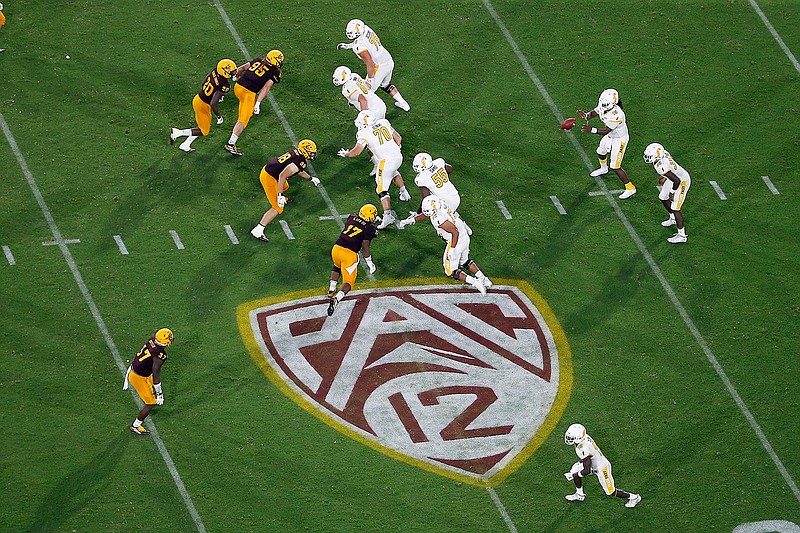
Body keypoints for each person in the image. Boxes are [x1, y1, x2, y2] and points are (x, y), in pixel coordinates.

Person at [337, 110, 411, 229]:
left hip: (386, 161)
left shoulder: (363, 133)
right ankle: (404, 193)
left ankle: (387, 217)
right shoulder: (383, 122)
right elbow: (399, 138)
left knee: (381, 189)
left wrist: (346, 154)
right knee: (392, 172)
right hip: (398, 157)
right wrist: (395, 150)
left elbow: (356, 152)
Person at [250, 139, 319, 243]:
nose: (313, 154)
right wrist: (280, 195)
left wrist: (310, 178)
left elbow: (297, 169)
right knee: (278, 207)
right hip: (269, 177)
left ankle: (281, 196)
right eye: (311, 152)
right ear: (305, 151)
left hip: (271, 172)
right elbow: (283, 175)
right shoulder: (300, 161)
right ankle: (258, 230)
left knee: (285, 186)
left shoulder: (297, 154)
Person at [421, 195, 492, 294]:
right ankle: (484, 279)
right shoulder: (442, 203)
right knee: (464, 261)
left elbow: (454, 232)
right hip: (463, 234)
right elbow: (428, 214)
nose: (428, 212)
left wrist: (452, 249)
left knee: (450, 271)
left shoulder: (438, 219)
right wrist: (412, 220)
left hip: (455, 240)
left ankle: (476, 282)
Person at [337, 19, 410, 112]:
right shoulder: (366, 29)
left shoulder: (359, 46)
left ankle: (369, 117)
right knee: (385, 85)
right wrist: (348, 46)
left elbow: (370, 63)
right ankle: (403, 104)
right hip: (388, 60)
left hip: (379, 66)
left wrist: (370, 81)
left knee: (366, 92)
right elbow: (362, 42)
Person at [563, 423, 641, 508]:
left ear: (578, 438)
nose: (568, 439)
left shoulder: (583, 447)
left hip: (601, 467)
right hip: (592, 462)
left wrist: (574, 475)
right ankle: (579, 494)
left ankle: (634, 497)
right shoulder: (584, 439)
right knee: (574, 470)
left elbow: (587, 470)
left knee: (610, 491)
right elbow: (588, 459)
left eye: (571, 438)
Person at [224, 50, 284, 157]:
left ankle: (231, 143)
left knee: (245, 112)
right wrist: (258, 103)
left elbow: (241, 68)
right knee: (243, 120)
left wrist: (236, 76)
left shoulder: (258, 60)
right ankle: (230, 144)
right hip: (248, 94)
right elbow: (265, 88)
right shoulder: (275, 73)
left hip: (238, 87)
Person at [578, 88, 636, 199]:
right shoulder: (605, 105)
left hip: (620, 139)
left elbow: (605, 131)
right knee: (600, 151)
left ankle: (630, 188)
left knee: (615, 166)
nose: (602, 105)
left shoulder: (617, 114)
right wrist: (586, 115)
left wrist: (591, 129)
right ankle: (603, 168)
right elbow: (595, 112)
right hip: (611, 136)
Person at [169, 59, 235, 153]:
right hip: (203, 105)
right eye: (231, 71)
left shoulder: (215, 71)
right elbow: (213, 104)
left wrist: (210, 93)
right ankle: (178, 132)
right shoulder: (224, 84)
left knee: (202, 125)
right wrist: (219, 116)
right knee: (204, 131)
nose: (233, 73)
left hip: (198, 98)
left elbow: (204, 81)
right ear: (224, 72)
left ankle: (185, 144)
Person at [327, 204, 378, 316]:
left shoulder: (351, 217)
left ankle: (331, 290)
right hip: (349, 254)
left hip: (336, 249)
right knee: (348, 283)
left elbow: (359, 224)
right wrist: (369, 262)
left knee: (337, 266)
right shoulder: (370, 228)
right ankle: (336, 299)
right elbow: (365, 246)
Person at [123, 328, 174, 436]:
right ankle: (136, 425)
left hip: (140, 370)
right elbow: (156, 374)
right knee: (150, 403)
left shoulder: (152, 341)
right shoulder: (160, 355)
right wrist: (160, 394)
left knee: (151, 391)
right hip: (138, 377)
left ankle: (152, 396)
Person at [399, 152, 463, 229]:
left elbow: (425, 199)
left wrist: (418, 213)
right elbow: (450, 168)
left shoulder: (421, 178)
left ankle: (463, 231)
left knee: (437, 217)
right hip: (455, 195)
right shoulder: (438, 162)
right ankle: (464, 225)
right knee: (450, 211)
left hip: (447, 201)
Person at [644, 143, 692, 243]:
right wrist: (665, 176)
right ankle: (672, 218)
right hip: (675, 177)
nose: (647, 158)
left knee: (675, 208)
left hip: (682, 181)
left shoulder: (660, 166)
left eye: (650, 156)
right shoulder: (663, 154)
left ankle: (682, 235)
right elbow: (671, 169)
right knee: (662, 197)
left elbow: (677, 181)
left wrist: (672, 192)